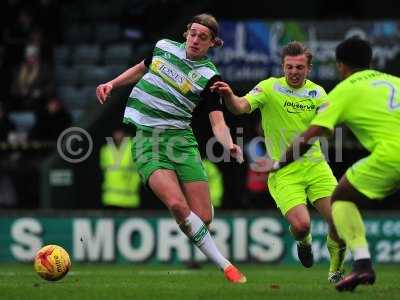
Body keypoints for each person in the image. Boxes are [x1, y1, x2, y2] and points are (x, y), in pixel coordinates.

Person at [96, 13, 246, 283]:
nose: (196, 40)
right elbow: (142, 68)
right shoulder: (163, 47)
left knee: (203, 218)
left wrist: (229, 145)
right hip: (148, 139)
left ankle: (200, 226)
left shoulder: (210, 78)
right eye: (193, 33)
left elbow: (218, 123)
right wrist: (112, 83)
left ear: (213, 43)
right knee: (177, 205)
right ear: (186, 32)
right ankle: (226, 265)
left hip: (181, 141)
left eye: (203, 37)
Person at [270, 37, 400, 291]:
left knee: (341, 198)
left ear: (340, 66)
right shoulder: (394, 81)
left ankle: (362, 264)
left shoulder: (344, 90)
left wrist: (277, 164)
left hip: (392, 155)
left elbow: (309, 137)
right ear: (370, 62)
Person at [211, 41, 346, 283]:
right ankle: (303, 242)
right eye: (289, 67)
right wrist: (229, 95)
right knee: (302, 225)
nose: (294, 72)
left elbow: (328, 124)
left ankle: (335, 272)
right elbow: (241, 107)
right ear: (283, 66)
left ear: (309, 68)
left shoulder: (318, 93)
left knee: (340, 222)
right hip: (283, 171)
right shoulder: (269, 87)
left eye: (299, 67)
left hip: (316, 167)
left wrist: (328, 126)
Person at [100, 128, 141, 209]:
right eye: (116, 133)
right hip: (110, 198)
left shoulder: (134, 148)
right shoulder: (106, 150)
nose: (117, 135)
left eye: (120, 132)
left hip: (130, 198)